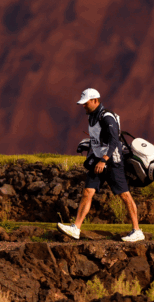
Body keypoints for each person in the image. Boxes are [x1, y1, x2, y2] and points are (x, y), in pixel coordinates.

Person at [57, 88, 144, 242]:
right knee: (87, 192)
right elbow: (98, 139)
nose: (83, 106)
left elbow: (114, 141)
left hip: (112, 162)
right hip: (98, 161)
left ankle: (137, 231)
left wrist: (104, 160)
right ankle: (76, 228)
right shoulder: (92, 117)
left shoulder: (107, 117)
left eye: (86, 103)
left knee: (124, 195)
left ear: (95, 100)